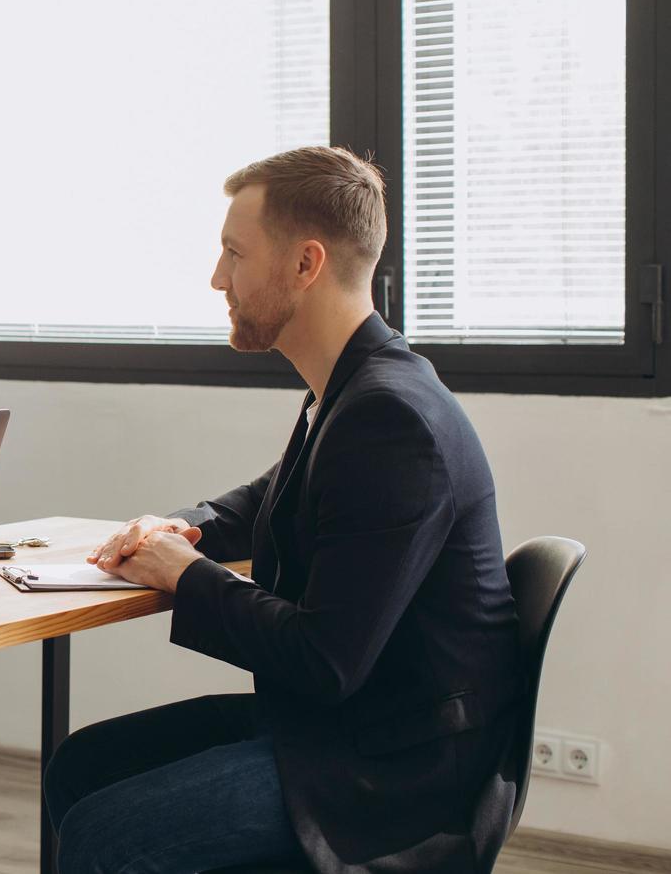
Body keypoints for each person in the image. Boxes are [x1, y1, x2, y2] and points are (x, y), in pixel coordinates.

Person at [42, 147, 521, 873]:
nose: (216, 278)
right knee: (81, 764)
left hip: (393, 772)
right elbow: (268, 497)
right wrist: (179, 527)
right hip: (355, 729)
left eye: (235, 253)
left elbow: (323, 661)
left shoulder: (389, 417)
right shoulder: (354, 387)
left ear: (306, 264)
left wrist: (187, 575)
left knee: (105, 833)